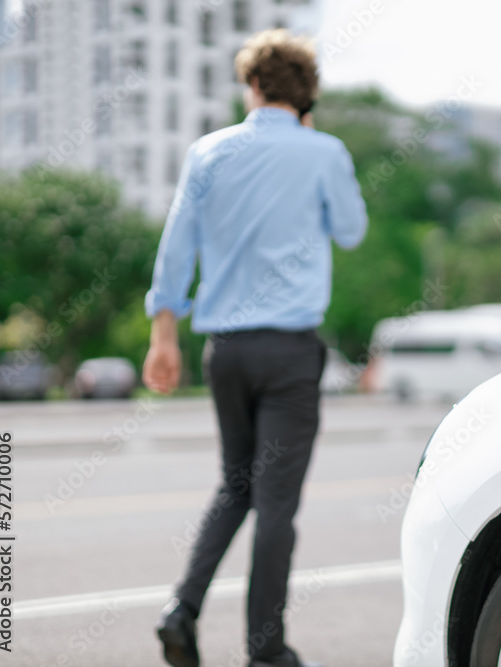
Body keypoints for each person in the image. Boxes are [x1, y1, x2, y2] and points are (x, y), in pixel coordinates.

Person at [142, 29, 367, 667]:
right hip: (290, 353)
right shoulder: (324, 151)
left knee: (234, 486)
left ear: (252, 86)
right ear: (307, 96)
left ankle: (181, 612)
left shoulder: (208, 152)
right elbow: (350, 230)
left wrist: (164, 334)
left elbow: (176, 246)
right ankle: (265, 652)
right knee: (276, 505)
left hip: (226, 353)